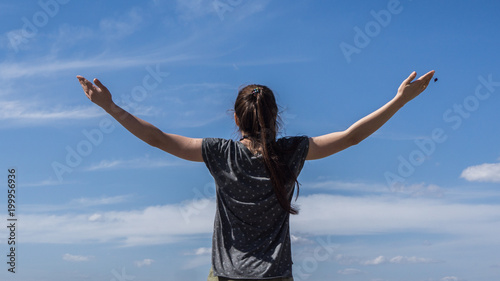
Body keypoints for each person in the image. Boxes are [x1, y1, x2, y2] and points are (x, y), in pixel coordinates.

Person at [77, 70, 435, 281]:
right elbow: (353, 136)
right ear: (277, 115)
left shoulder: (221, 153)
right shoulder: (292, 152)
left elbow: (156, 139)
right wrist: (400, 100)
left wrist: (110, 106)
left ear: (236, 118)